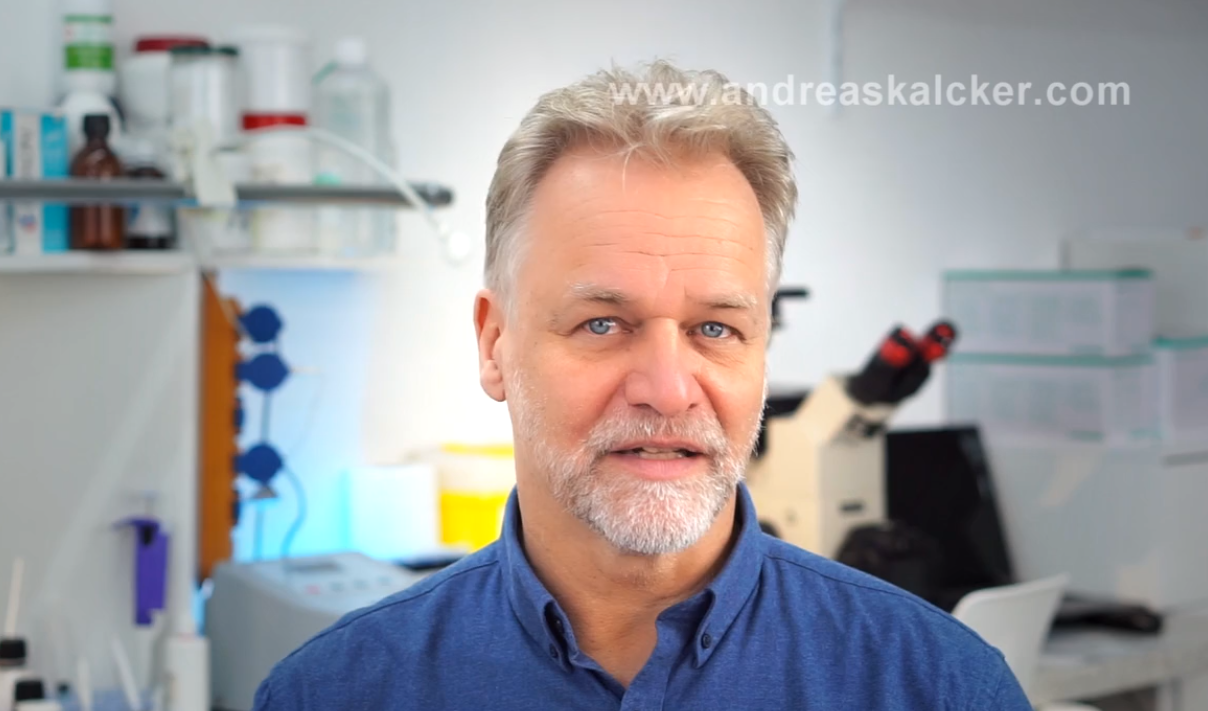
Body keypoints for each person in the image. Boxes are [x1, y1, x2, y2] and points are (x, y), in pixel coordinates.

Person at [252, 60, 1033, 710]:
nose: (667, 389)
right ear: (494, 344)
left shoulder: (939, 686)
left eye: (714, 328)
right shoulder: (334, 691)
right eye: (602, 323)